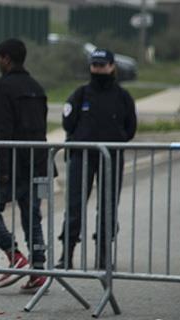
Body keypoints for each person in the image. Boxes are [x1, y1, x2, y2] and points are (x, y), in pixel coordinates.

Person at [0, 38, 52, 293]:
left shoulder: (3, 87)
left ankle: (14, 255)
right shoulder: (37, 87)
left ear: (6, 59)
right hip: (38, 162)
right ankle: (39, 271)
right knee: (32, 216)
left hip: (12, 164)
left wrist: (1, 171)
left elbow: (3, 132)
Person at [59, 48, 137, 269]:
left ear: (112, 67)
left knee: (107, 208)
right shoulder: (81, 94)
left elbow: (130, 128)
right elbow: (68, 122)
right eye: (95, 65)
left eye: (102, 65)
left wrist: (115, 139)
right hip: (81, 158)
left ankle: (103, 256)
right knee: (74, 207)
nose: (98, 69)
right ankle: (66, 254)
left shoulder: (122, 97)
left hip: (111, 158)